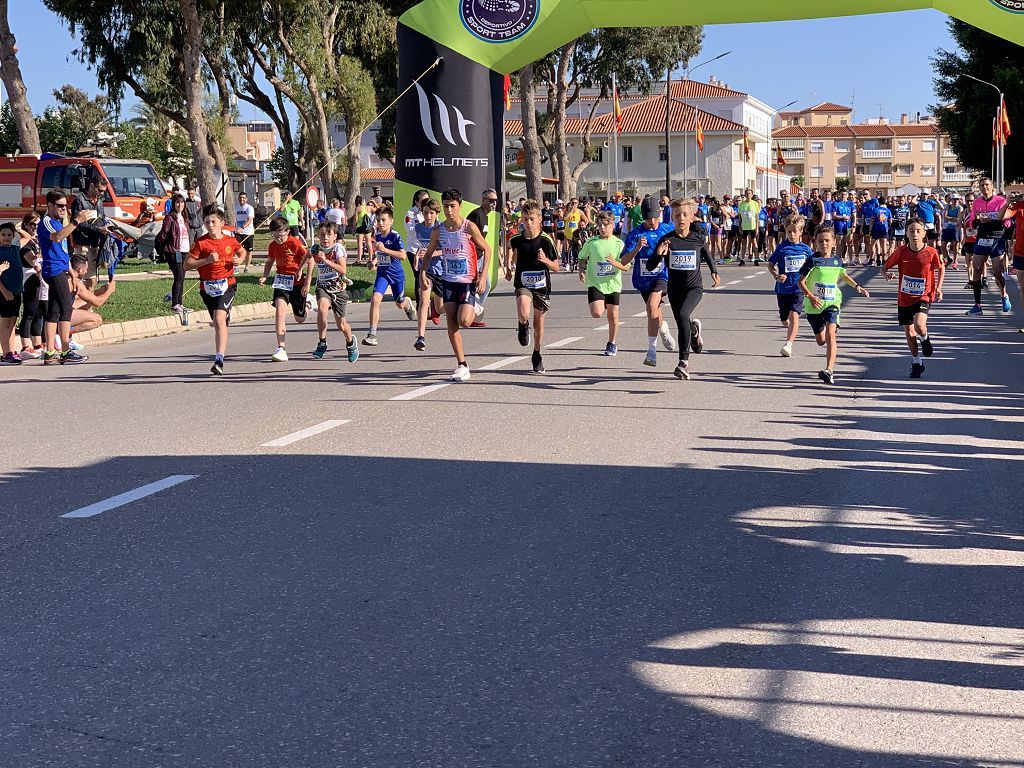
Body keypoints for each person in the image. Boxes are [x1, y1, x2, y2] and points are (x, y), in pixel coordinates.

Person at [646, 198, 721, 380]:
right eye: (677, 215)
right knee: (682, 323)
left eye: (685, 215)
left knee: (683, 316)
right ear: (671, 218)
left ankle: (683, 363)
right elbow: (650, 266)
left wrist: (714, 271)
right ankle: (694, 331)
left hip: (694, 288)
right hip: (675, 289)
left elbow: (707, 254)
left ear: (691, 217)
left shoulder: (697, 239)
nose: (681, 218)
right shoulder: (667, 240)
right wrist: (658, 254)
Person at [421, 188, 491, 382]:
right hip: (449, 281)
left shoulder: (469, 227)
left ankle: (475, 307)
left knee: (464, 321)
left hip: (468, 281)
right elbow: (428, 254)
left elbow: (487, 249)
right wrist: (423, 273)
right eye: (445, 206)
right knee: (451, 321)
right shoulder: (439, 230)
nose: (449, 210)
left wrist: (483, 276)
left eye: (452, 206)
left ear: (459, 206)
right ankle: (462, 365)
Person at [797, 227, 870, 385]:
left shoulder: (837, 260)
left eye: (827, 241)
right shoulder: (812, 261)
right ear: (815, 243)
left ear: (834, 242)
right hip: (814, 305)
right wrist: (811, 296)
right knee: (821, 340)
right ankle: (822, 331)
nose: (824, 244)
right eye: (820, 241)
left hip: (832, 302)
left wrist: (858, 287)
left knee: (831, 333)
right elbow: (800, 282)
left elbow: (843, 275)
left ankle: (829, 370)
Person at [184, 205, 243, 375]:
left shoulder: (230, 241)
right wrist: (207, 260)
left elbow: (242, 251)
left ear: (222, 223)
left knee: (218, 320)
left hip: (227, 284)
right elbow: (187, 265)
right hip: (207, 287)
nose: (210, 225)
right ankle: (225, 315)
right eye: (207, 222)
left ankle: (219, 359)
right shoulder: (201, 243)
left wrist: (239, 259)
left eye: (213, 221)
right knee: (219, 322)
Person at [882, 219, 944, 378]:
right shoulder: (901, 251)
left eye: (918, 231)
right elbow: (884, 267)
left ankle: (925, 338)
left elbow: (941, 268)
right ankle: (917, 363)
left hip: (924, 295)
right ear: (906, 234)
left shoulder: (931, 252)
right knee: (909, 333)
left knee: (919, 325)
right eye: (911, 231)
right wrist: (887, 273)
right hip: (904, 298)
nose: (915, 234)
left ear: (924, 234)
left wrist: (938, 287)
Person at [619, 196, 675, 367]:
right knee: (654, 312)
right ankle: (663, 328)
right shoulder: (636, 233)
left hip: (662, 275)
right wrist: (636, 248)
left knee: (652, 306)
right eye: (649, 218)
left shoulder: (667, 230)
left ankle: (651, 351)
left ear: (659, 215)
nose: (652, 222)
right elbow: (623, 261)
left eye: (655, 217)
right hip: (644, 279)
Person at [506, 199, 560, 374]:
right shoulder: (517, 239)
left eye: (531, 219)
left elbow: (557, 267)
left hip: (542, 286)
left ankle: (537, 354)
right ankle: (522, 324)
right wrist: (508, 266)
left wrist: (545, 261)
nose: (528, 223)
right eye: (525, 219)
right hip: (523, 282)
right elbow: (510, 247)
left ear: (539, 220)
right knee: (523, 311)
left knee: (539, 323)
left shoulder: (545, 240)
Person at [39, 190, 91, 365]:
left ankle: (50, 352)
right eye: (60, 206)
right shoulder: (46, 222)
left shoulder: (58, 222)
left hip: (61, 268)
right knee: (66, 309)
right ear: (50, 205)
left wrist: (72, 272)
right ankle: (65, 351)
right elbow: (57, 237)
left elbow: (62, 249)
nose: (63, 209)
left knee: (54, 311)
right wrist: (77, 221)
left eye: (65, 205)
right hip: (52, 270)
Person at [363, 204, 416, 347]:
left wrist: (385, 249)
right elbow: (380, 254)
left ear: (391, 221)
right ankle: (372, 334)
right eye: (378, 220)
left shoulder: (395, 235)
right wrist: (373, 262)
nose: (380, 223)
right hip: (383, 274)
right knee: (375, 299)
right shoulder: (378, 235)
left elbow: (403, 256)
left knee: (399, 303)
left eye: (383, 220)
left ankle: (407, 304)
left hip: (396, 275)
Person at [260, 217, 312, 362]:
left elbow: (310, 259)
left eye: (281, 235)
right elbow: (270, 261)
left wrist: (305, 279)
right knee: (280, 310)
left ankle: (308, 304)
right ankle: (281, 348)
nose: (278, 239)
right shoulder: (272, 246)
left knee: (300, 318)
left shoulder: (294, 243)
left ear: (288, 232)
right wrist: (265, 276)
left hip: (297, 283)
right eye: (274, 236)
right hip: (281, 283)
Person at [578, 210, 627, 356]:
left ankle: (611, 343)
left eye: (606, 225)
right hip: (596, 283)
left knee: (613, 316)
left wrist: (615, 264)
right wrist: (581, 270)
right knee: (597, 313)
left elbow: (626, 267)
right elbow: (582, 257)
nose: (603, 228)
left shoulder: (619, 243)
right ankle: (601, 301)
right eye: (600, 225)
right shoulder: (592, 242)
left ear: (612, 225)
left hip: (613, 284)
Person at [309, 221, 358, 363]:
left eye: (329, 235)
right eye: (322, 234)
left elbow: (343, 270)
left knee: (341, 325)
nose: (325, 238)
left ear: (334, 236)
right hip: (323, 286)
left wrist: (326, 261)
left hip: (338, 288)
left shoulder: (338, 249)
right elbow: (309, 259)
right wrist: (301, 272)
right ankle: (322, 342)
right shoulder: (316, 249)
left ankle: (350, 343)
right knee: (322, 309)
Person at [767, 215, 813, 358]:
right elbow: (770, 265)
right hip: (783, 289)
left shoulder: (806, 250)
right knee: (784, 319)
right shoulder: (781, 248)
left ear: (800, 232)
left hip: (798, 289)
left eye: (795, 231)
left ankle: (789, 344)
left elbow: (812, 268)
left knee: (795, 315)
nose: (792, 234)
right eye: (789, 232)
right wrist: (776, 276)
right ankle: (789, 328)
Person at [965, 177, 1011, 315]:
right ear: (979, 188)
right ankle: (977, 305)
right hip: (982, 238)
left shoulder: (1000, 201)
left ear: (992, 187)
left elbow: (1008, 221)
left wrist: (994, 220)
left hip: (997, 238)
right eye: (982, 185)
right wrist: (977, 221)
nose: (984, 187)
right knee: (977, 269)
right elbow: (972, 222)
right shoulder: (977, 203)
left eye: (987, 185)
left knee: (997, 272)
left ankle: (1004, 295)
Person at [69, 175, 110, 292]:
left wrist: (106, 227)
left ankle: (87, 304)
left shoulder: (99, 202)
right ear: (92, 185)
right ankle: (85, 305)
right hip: (83, 243)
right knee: (87, 278)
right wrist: (99, 229)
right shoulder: (79, 201)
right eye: (100, 190)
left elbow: (101, 219)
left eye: (104, 191)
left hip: (96, 243)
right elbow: (79, 224)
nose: (102, 193)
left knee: (93, 278)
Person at [414, 196, 443, 351]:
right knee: (423, 302)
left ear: (436, 214)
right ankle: (421, 338)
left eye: (432, 213)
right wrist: (418, 256)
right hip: (426, 270)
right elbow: (420, 247)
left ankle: (438, 307)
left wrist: (430, 253)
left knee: (441, 308)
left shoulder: (441, 228)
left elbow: (445, 250)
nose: (428, 216)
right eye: (426, 213)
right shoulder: (418, 228)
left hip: (440, 270)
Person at [466, 188, 499, 323]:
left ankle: (472, 312)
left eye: (496, 201)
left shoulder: (485, 215)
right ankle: (470, 312)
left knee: (486, 286)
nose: (494, 204)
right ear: (483, 200)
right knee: (480, 287)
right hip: (473, 258)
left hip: (479, 257)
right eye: (491, 201)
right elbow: (467, 236)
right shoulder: (477, 215)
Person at [156, 193, 191, 319]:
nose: (180, 205)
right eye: (177, 202)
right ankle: (174, 304)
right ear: (173, 204)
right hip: (173, 250)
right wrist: (165, 250)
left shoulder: (185, 217)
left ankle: (180, 303)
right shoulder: (169, 218)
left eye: (182, 202)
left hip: (185, 250)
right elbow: (163, 235)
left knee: (183, 277)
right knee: (179, 276)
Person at [16, 212, 45, 359]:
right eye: (33, 224)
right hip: (29, 277)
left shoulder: (37, 240)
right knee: (29, 312)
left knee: (38, 312)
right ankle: (25, 346)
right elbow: (31, 260)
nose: (35, 227)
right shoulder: (24, 241)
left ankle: (38, 345)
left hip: (37, 276)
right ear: (26, 225)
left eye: (38, 224)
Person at [68, 253, 117, 335]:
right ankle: (66, 332)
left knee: (87, 304)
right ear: (79, 270)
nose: (86, 271)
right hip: (60, 315)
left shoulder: (65, 277)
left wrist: (99, 292)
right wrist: (109, 291)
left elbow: (82, 297)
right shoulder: (75, 282)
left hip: (52, 311)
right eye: (86, 269)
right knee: (97, 319)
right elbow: (97, 303)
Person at [0, 223, 24, 364]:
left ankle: (11, 351)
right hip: (4, 292)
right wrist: (4, 291)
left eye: (9, 235)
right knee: (5, 322)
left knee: (13, 322)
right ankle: (5, 354)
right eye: (3, 234)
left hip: (17, 290)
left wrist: (18, 229)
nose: (6, 237)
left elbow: (27, 237)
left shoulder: (15, 248)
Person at [404, 189, 429, 311]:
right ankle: (421, 306)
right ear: (416, 202)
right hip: (414, 249)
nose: (426, 203)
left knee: (429, 276)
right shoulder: (410, 214)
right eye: (423, 201)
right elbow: (412, 231)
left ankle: (430, 303)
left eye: (427, 200)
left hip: (427, 249)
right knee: (419, 276)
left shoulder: (429, 212)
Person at [737, 188, 761, 265]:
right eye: (747, 193)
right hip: (744, 226)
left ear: (752, 194)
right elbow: (740, 217)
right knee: (744, 242)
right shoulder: (742, 204)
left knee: (754, 242)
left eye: (749, 193)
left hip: (752, 225)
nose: (748, 195)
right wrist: (740, 227)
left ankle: (756, 258)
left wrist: (757, 227)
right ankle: (742, 259)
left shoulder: (755, 203)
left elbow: (757, 217)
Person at [234, 192, 256, 273]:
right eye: (240, 198)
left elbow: (249, 220)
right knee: (236, 250)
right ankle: (236, 267)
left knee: (248, 251)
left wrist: (242, 227)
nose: (241, 199)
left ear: (246, 199)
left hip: (248, 233)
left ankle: (247, 267)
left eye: (243, 198)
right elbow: (234, 219)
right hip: (238, 233)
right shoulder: (236, 208)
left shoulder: (249, 208)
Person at [941, 194, 964, 268]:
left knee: (955, 246)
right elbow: (945, 217)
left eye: (957, 199)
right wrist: (953, 218)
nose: (955, 201)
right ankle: (948, 258)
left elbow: (958, 218)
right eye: (954, 199)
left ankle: (955, 261)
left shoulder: (960, 207)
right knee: (943, 245)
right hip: (948, 228)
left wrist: (950, 218)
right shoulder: (948, 207)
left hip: (956, 228)